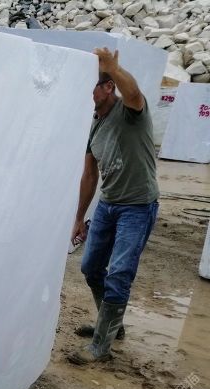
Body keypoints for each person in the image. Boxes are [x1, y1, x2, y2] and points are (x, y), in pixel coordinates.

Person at [69, 48, 159, 365]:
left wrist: (115, 69)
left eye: (91, 86)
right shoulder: (94, 124)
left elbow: (133, 93)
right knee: (91, 267)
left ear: (108, 87)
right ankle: (112, 325)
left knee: (119, 273)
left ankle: (101, 345)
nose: (86, 93)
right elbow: (89, 175)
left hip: (137, 207)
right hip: (108, 206)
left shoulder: (131, 112)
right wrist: (79, 217)